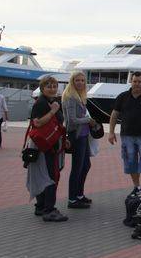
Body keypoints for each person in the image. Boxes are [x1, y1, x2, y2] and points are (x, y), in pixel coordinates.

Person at [108, 71, 141, 197]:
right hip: (127, 136)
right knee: (131, 163)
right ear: (131, 82)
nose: (137, 84)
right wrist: (111, 132)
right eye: (134, 81)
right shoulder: (122, 97)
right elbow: (114, 114)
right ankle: (137, 188)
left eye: (139, 82)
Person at [30, 76, 68, 222]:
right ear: (42, 88)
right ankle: (49, 210)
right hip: (45, 145)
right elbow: (37, 123)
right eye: (49, 86)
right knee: (51, 176)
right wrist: (53, 111)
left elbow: (56, 124)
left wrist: (63, 139)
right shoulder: (41, 103)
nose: (52, 89)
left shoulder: (51, 101)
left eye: (54, 86)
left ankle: (41, 206)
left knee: (44, 175)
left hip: (49, 143)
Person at [62, 71, 96, 209]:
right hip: (76, 136)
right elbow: (72, 120)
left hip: (83, 135)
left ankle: (79, 195)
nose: (80, 83)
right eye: (77, 80)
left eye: (82, 80)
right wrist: (88, 120)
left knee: (86, 165)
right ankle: (72, 199)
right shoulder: (70, 97)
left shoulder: (79, 96)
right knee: (77, 168)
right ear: (72, 81)